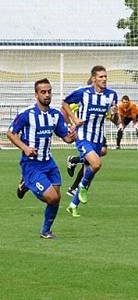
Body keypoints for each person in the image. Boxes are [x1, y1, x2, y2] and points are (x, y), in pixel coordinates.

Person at [6, 78, 76, 239]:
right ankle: (28, 184)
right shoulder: (27, 114)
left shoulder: (55, 115)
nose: (47, 95)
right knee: (52, 197)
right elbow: (11, 133)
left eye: (49, 91)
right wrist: (25, 148)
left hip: (49, 162)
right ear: (36, 95)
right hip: (31, 164)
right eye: (43, 92)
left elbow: (65, 138)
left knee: (56, 198)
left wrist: (72, 136)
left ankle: (46, 231)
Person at [61, 65, 118, 217]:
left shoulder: (112, 95)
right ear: (93, 79)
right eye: (101, 77)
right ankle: (83, 187)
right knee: (96, 164)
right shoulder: (83, 92)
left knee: (89, 171)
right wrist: (74, 119)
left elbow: (114, 118)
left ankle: (73, 205)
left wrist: (115, 115)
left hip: (98, 138)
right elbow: (65, 103)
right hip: (83, 136)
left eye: (105, 76)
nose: (104, 79)